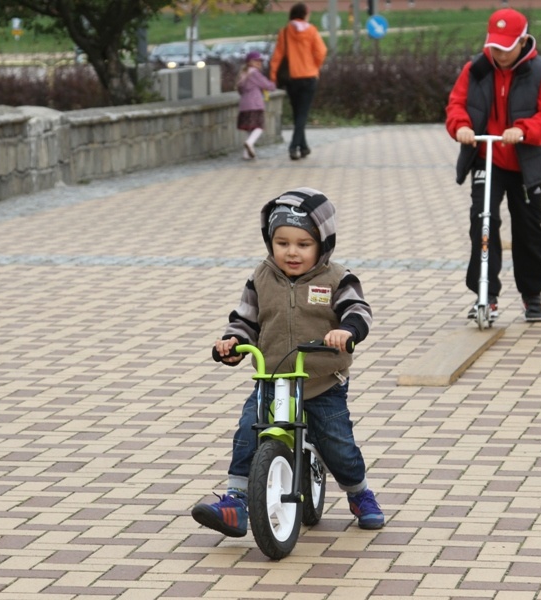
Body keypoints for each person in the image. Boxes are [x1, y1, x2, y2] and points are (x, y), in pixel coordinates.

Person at [191, 187, 384, 537]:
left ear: (322, 244)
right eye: (282, 243)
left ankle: (360, 494)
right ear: (271, 242)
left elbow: (359, 310)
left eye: (303, 244)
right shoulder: (262, 277)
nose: (292, 252)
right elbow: (245, 320)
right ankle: (236, 500)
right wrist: (233, 343)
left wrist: (346, 330)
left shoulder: (337, 278)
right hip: (274, 378)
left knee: (338, 446)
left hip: (321, 383)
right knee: (249, 433)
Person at [445, 8, 541, 323]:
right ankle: (486, 295)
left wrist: (524, 129)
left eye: (506, 47)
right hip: (487, 158)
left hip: (526, 164)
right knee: (483, 222)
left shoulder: (539, 71)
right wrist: (461, 126)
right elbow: (457, 104)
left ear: (523, 41)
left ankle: (532, 295)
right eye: (494, 45)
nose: (498, 52)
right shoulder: (476, 69)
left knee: (529, 231)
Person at [269, 3, 327, 161]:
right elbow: (321, 51)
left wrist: (273, 76)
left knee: (297, 113)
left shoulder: (285, 32)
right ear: (305, 14)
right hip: (309, 76)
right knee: (302, 114)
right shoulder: (311, 31)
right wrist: (314, 65)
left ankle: (304, 147)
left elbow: (277, 56)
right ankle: (294, 147)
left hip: (291, 78)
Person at [237, 51, 276, 160]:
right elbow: (267, 85)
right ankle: (249, 143)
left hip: (244, 106)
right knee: (259, 126)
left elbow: (240, 89)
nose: (259, 63)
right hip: (255, 104)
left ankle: (246, 154)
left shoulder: (243, 74)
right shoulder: (254, 73)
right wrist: (274, 83)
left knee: (250, 129)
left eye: (260, 61)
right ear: (249, 62)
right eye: (256, 61)